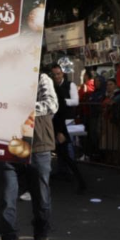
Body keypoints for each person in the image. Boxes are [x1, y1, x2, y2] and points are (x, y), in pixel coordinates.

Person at [0, 70, 58, 240]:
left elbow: (51, 105)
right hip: (7, 143)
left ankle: (41, 236)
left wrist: (16, 108)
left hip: (38, 144)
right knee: (7, 197)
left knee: (40, 194)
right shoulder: (0, 77)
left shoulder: (41, 77)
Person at [51, 63, 87, 192]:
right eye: (54, 75)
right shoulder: (52, 87)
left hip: (65, 120)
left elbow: (75, 101)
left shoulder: (68, 85)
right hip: (57, 121)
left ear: (63, 74)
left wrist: (60, 102)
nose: (56, 77)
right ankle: (64, 172)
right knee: (63, 151)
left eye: (58, 74)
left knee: (68, 150)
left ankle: (76, 178)